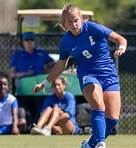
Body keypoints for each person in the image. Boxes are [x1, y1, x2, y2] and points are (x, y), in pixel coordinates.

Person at [33, 3, 127, 148]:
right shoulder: (65, 42)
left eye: (76, 20)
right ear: (64, 24)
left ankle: (90, 143)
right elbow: (60, 65)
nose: (74, 24)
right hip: (88, 74)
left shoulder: (94, 28)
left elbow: (121, 39)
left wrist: (121, 48)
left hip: (109, 74)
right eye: (69, 22)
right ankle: (101, 143)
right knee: (98, 105)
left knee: (113, 119)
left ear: (81, 19)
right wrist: (44, 83)